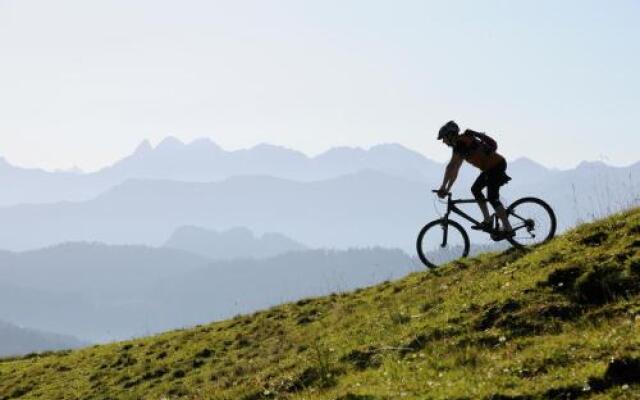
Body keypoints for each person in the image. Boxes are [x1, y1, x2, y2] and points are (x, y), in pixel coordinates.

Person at [436, 120, 513, 238]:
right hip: (491, 167)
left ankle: (508, 229)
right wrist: (447, 188)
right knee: (476, 189)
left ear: (450, 135)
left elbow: (451, 166)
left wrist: (443, 187)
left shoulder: (461, 143)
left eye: (444, 138)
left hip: (496, 166)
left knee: (492, 197)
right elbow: (455, 169)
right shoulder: (460, 144)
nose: (443, 142)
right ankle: (488, 221)